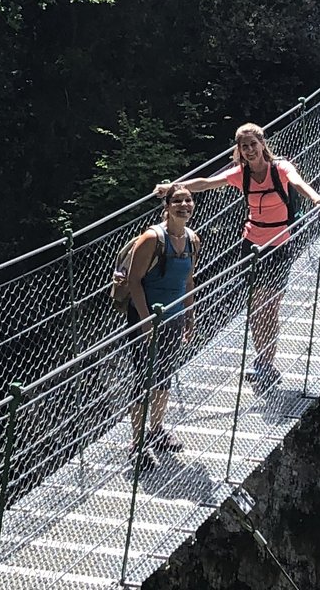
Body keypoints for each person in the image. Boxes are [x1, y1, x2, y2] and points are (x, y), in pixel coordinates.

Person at [158, 123, 320, 395]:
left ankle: (266, 360)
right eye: (243, 147)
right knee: (256, 305)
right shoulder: (241, 175)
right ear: (239, 149)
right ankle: (263, 361)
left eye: (252, 145)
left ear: (262, 144)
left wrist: (316, 198)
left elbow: (298, 182)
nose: (249, 151)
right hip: (251, 245)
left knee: (269, 306)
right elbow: (206, 183)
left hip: (279, 244)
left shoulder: (280, 169)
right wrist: (173, 187)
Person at [124, 184, 199, 470]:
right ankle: (136, 444)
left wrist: (190, 316)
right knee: (145, 378)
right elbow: (133, 282)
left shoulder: (193, 240)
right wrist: (145, 323)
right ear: (166, 206)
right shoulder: (151, 238)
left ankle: (156, 432)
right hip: (145, 319)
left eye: (188, 200)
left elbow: (189, 282)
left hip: (174, 317)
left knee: (164, 375)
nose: (184, 205)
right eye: (177, 200)